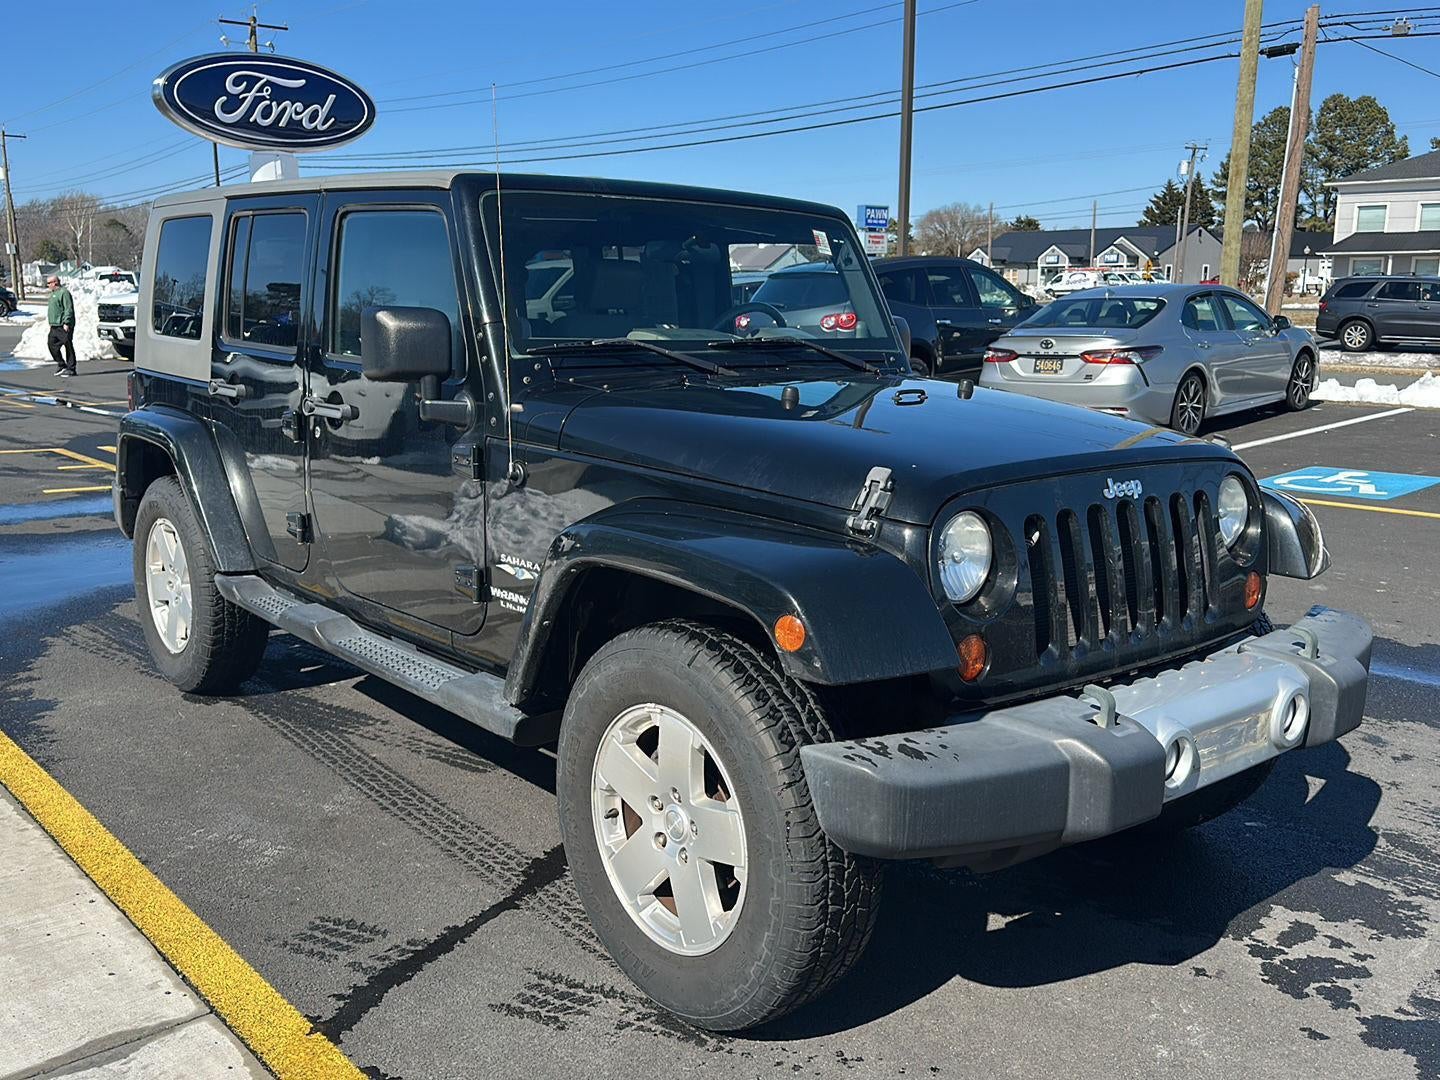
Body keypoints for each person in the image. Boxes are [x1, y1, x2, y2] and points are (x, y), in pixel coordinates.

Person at [46, 274, 77, 377]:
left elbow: (68, 308)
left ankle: (71, 368)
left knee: (68, 345)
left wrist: (66, 322)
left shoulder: (64, 293)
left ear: (55, 282)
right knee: (52, 344)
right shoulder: (53, 294)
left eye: (49, 283)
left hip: (63, 325)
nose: (48, 285)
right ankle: (61, 364)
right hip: (54, 325)